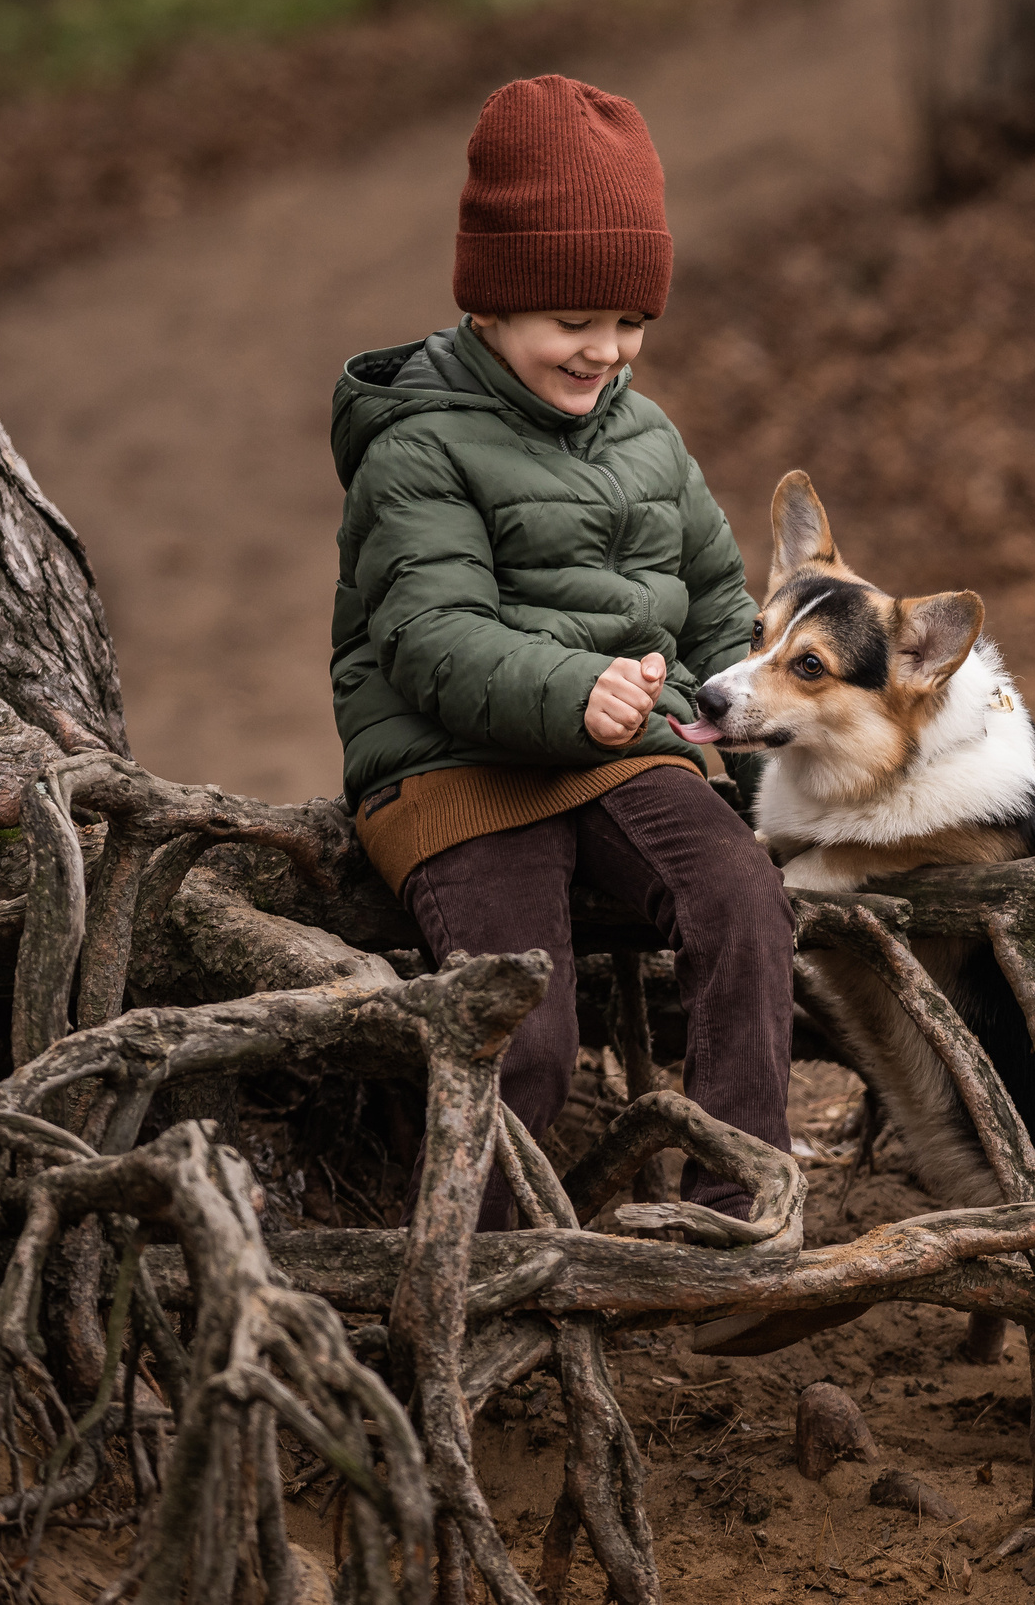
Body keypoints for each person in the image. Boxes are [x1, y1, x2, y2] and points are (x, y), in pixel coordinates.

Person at [326, 75, 793, 1241]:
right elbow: (428, 638)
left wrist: (718, 740)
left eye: (629, 323)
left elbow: (712, 602)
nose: (604, 352)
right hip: (454, 769)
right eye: (570, 322)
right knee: (522, 1024)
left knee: (744, 905)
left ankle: (738, 1209)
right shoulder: (417, 447)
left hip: (623, 750)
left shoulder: (646, 434)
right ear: (489, 302)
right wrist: (573, 689)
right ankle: (487, 1271)